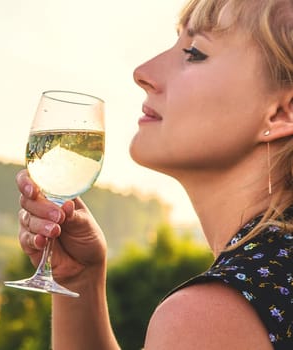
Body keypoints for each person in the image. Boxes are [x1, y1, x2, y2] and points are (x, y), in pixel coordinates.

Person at [16, 0, 293, 349]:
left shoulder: (207, 317)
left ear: (282, 112)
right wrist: (78, 280)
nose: (142, 72)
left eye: (194, 52)